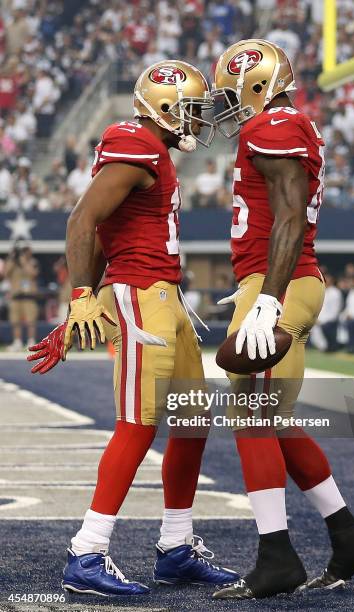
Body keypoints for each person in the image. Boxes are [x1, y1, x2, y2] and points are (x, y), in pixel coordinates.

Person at [28, 60, 237, 597]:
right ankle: (87, 552)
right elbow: (82, 219)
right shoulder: (135, 144)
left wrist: (83, 297)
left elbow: (103, 232)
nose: (197, 120)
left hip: (167, 299)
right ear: (163, 107)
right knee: (138, 424)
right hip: (141, 300)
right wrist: (80, 297)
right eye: (190, 109)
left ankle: (175, 547)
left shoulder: (154, 153)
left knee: (192, 424)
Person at [212, 39, 354, 600]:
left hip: (279, 284)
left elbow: (288, 217)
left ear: (257, 85)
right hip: (278, 281)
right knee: (276, 419)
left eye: (233, 95)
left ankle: (276, 557)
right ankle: (347, 533)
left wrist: (267, 298)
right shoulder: (285, 124)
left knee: (253, 416)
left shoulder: (275, 126)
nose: (229, 108)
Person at [4, 245, 39, 350]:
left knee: (31, 321)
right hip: (15, 296)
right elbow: (5, 273)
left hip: (29, 296)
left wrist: (23, 261)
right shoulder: (12, 263)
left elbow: (33, 273)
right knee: (15, 321)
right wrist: (12, 258)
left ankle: (31, 341)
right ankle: (17, 342)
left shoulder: (32, 262)